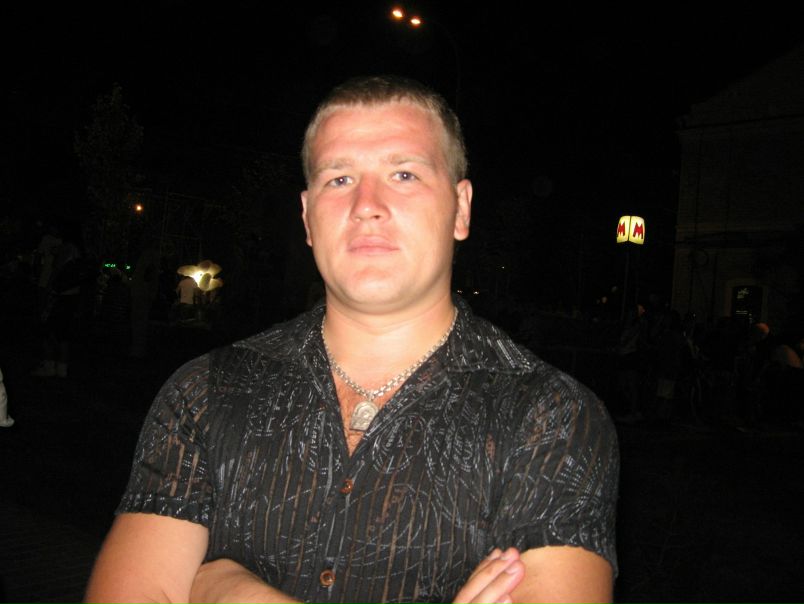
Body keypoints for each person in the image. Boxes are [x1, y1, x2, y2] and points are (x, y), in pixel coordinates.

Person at [84, 75, 619, 604]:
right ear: (307, 217)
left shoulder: (550, 416)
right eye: (339, 179)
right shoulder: (205, 392)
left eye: (404, 174)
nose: (366, 204)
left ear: (460, 209)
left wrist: (231, 593)